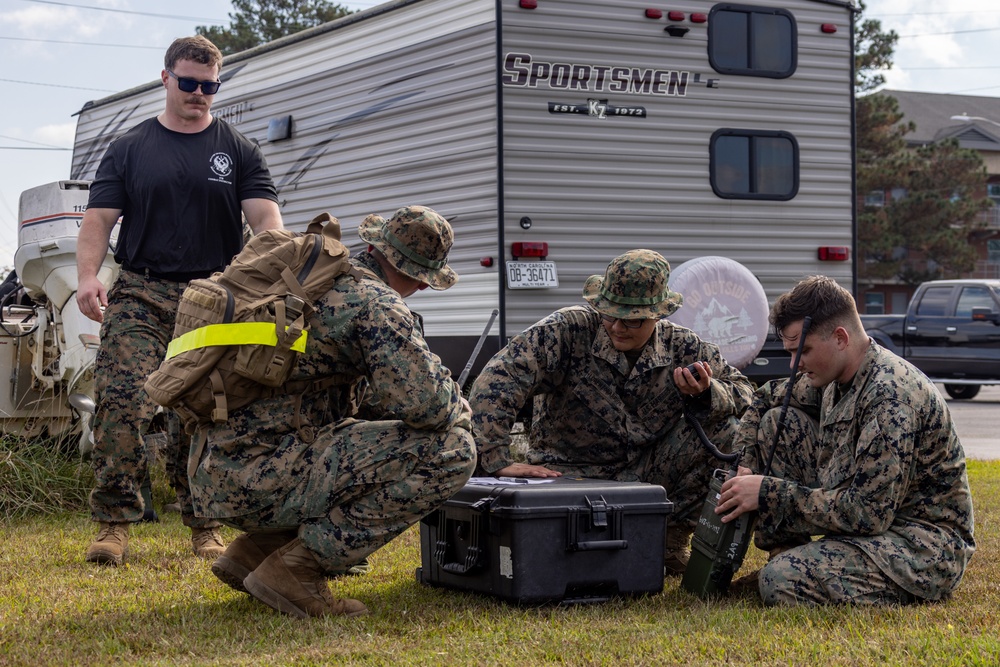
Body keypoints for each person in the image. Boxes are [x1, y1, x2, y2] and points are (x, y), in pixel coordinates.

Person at [189, 205, 476, 618]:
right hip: (262, 477)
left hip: (217, 470)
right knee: (454, 449)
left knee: (356, 437)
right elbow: (429, 407)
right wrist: (458, 406)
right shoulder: (376, 305)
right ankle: (298, 568)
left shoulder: (316, 281)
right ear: (421, 277)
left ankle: (255, 552)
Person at [76, 35, 283, 566]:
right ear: (166, 78)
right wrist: (87, 277)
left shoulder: (238, 149)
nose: (199, 94)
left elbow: (265, 220)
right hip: (141, 292)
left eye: (209, 86)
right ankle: (114, 524)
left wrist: (267, 276)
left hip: (212, 298)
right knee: (123, 400)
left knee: (203, 412)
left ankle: (205, 527)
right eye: (189, 83)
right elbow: (98, 220)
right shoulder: (129, 148)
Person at [469, 249, 755, 573]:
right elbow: (500, 377)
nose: (617, 326)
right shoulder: (568, 330)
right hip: (568, 475)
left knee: (726, 432)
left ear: (658, 315)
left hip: (647, 472)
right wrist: (495, 458)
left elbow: (745, 393)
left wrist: (706, 393)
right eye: (608, 314)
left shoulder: (684, 347)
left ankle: (667, 546)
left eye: (632, 319)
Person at [716, 275, 975, 605]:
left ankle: (792, 570)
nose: (795, 364)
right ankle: (789, 556)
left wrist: (767, 492)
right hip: (878, 523)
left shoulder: (889, 397)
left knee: (780, 582)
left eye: (804, 350)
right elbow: (767, 397)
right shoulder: (832, 376)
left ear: (840, 338)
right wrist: (746, 460)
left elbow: (869, 513)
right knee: (778, 422)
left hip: (922, 545)